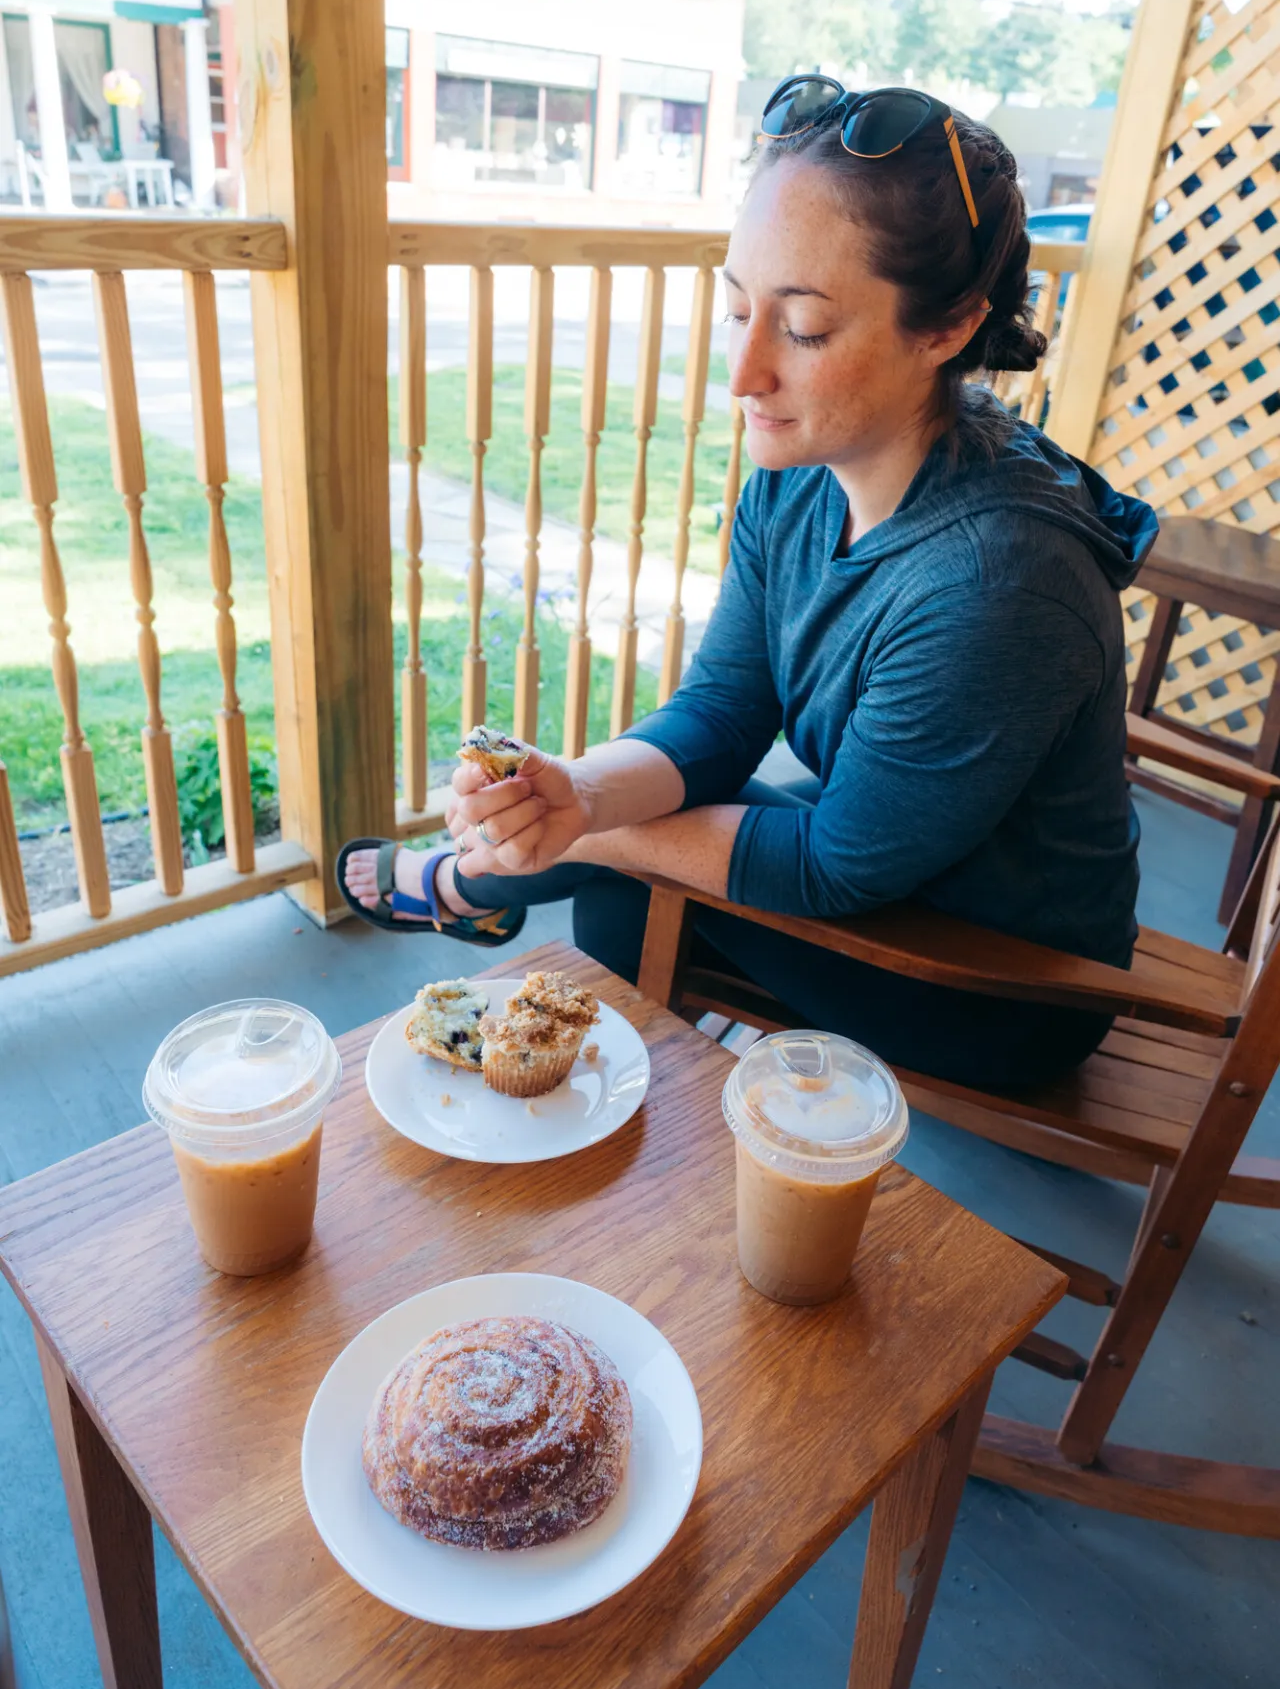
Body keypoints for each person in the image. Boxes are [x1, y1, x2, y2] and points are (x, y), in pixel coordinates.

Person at [339, 79, 1157, 1093]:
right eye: (735, 309)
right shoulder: (807, 471)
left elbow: (830, 866)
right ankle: (470, 887)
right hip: (892, 848)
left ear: (944, 329)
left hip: (1002, 978)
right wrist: (580, 791)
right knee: (628, 876)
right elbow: (726, 710)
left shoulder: (996, 585)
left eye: (803, 330)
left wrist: (589, 819)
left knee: (626, 896)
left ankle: (459, 890)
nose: (741, 372)